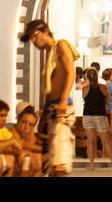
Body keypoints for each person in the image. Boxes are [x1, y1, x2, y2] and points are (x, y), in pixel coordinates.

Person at [22, 18, 77, 176]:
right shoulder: (49, 55)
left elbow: (70, 73)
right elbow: (50, 87)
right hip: (52, 109)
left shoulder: (61, 45)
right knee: (49, 162)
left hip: (61, 110)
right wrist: (45, 114)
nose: (33, 40)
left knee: (59, 162)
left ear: (46, 31)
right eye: (30, 38)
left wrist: (63, 101)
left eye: (35, 35)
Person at [81, 66, 112, 170]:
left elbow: (85, 99)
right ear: (97, 76)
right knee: (106, 140)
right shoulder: (103, 87)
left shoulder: (85, 88)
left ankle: (91, 164)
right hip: (100, 115)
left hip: (87, 115)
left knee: (90, 140)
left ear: (87, 77)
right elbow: (107, 101)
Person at [13, 105, 44, 177]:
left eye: (31, 125)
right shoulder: (13, 132)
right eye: (24, 122)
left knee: (38, 157)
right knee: (26, 158)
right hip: (13, 161)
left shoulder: (30, 134)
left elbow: (35, 143)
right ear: (18, 121)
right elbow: (22, 144)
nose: (26, 127)